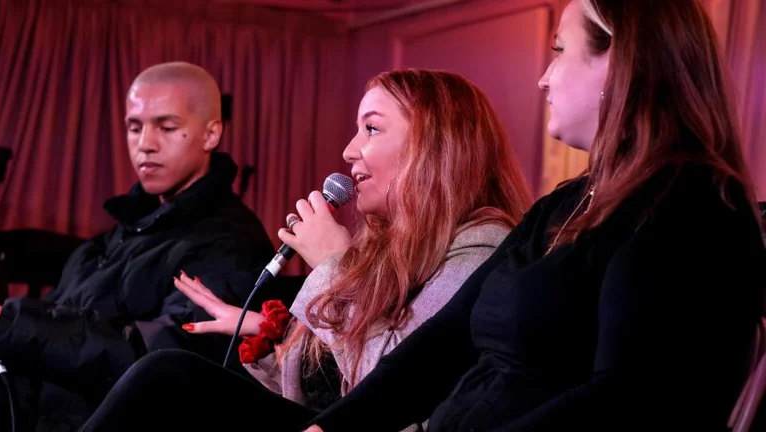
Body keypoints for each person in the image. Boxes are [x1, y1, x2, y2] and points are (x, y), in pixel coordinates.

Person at [293, 0, 765, 431]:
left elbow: (626, 401)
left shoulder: (692, 205)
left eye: (560, 50)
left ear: (623, 64)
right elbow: (443, 344)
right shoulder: (565, 202)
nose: (544, 77)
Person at [78, 69, 534, 431]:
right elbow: (326, 386)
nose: (350, 149)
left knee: (167, 377)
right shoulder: (395, 244)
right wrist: (268, 336)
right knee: (171, 366)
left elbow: (396, 385)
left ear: (436, 146)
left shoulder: (483, 247)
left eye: (371, 129)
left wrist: (335, 267)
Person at [0, 61, 276, 431]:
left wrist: (8, 323)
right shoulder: (121, 232)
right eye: (134, 127)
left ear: (211, 134)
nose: (145, 144)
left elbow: (160, 361)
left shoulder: (232, 243)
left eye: (167, 127)